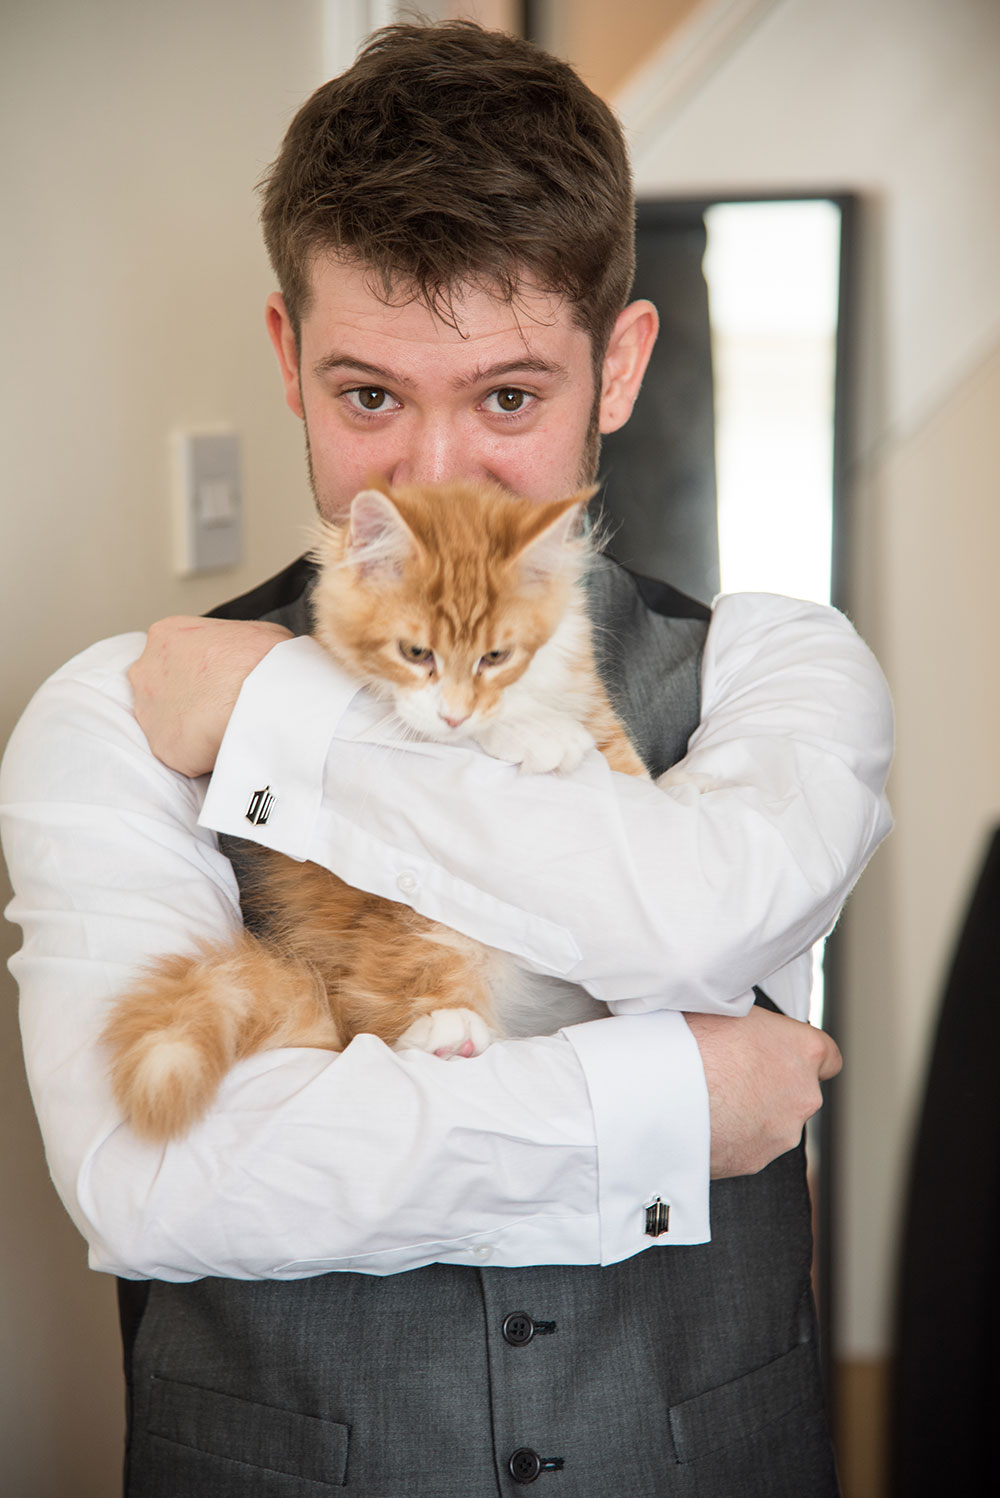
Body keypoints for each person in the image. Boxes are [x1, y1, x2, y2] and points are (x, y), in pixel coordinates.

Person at [0, 21, 892, 1498]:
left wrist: (294, 727)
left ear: (620, 369)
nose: (428, 484)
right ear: (290, 362)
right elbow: (154, 1182)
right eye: (369, 397)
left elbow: (689, 917)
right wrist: (670, 1104)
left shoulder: (782, 665)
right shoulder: (113, 712)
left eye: (508, 397)